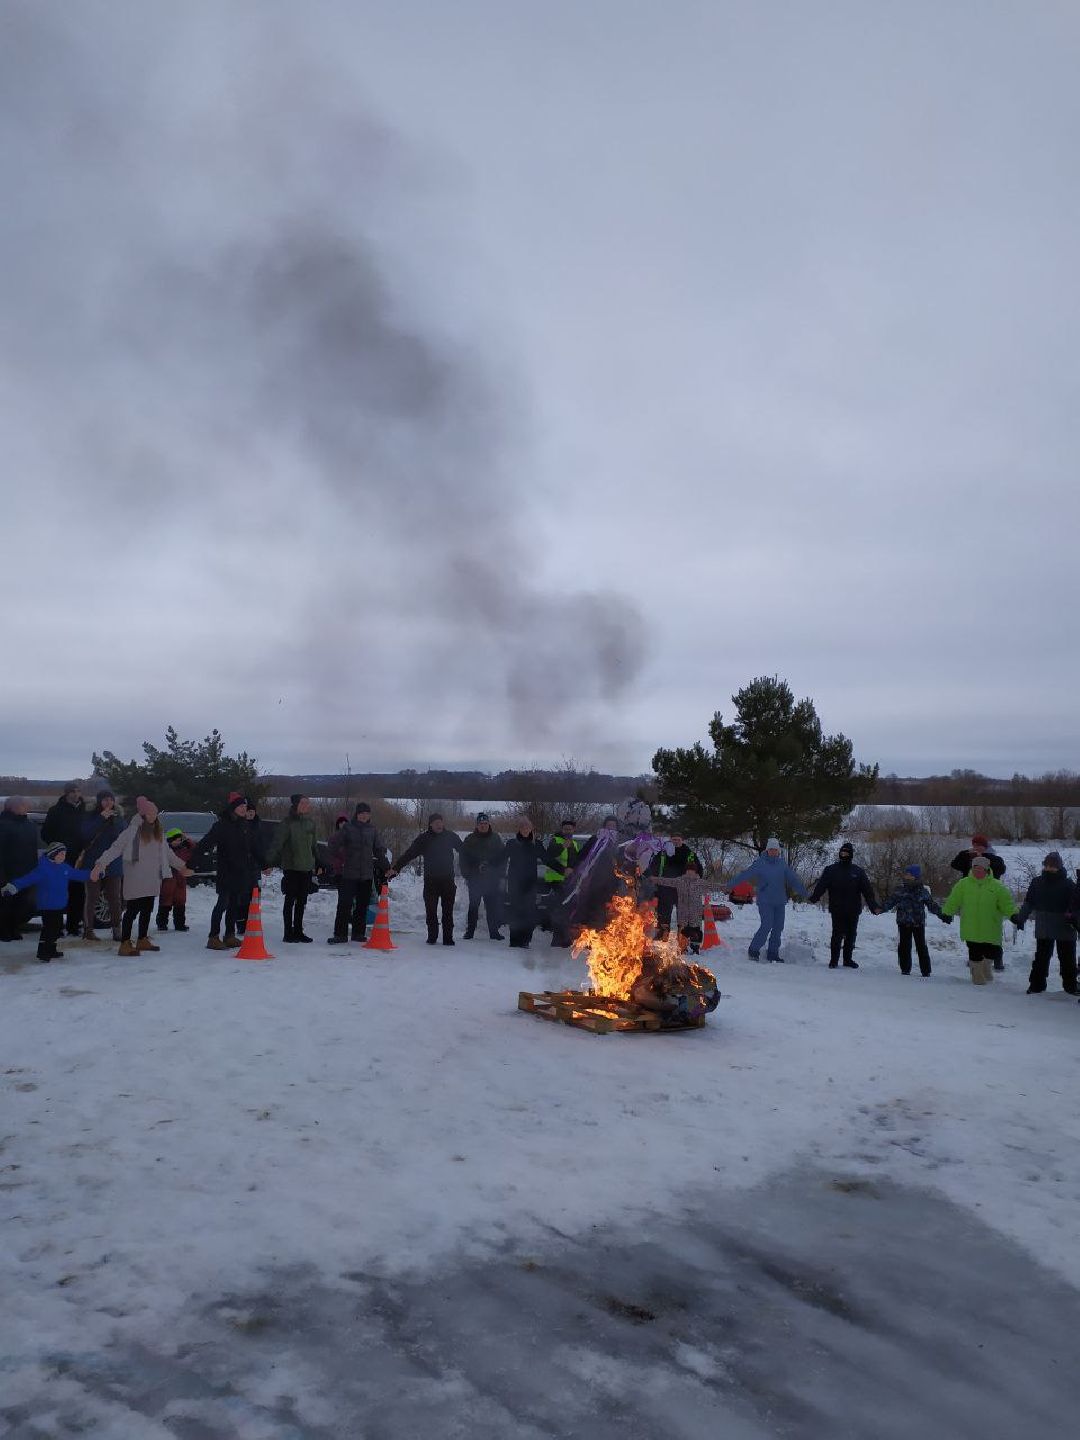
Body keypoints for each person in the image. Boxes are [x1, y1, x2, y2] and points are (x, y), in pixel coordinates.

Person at [91, 798, 192, 955]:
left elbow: (168, 854)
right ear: (143, 814)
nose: (153, 816)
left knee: (147, 909)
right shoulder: (131, 831)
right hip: (135, 878)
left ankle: (142, 939)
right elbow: (115, 849)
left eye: (155, 813)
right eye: (150, 813)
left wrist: (182, 867)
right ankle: (125, 943)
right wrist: (100, 864)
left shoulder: (158, 833)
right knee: (132, 911)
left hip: (152, 878)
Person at [2, 842, 92, 962]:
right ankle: (43, 952)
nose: (63, 856)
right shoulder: (43, 869)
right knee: (49, 929)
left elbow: (78, 874)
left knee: (56, 929)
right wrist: (13, 887)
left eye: (64, 854)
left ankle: (51, 949)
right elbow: (27, 879)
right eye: (60, 854)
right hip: (47, 906)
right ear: (52, 854)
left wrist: (92, 874)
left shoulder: (64, 868)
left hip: (59, 905)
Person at [191, 795, 258, 951]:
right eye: (240, 806)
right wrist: (192, 863)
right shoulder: (221, 826)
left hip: (241, 873)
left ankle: (229, 935)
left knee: (234, 905)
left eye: (245, 807)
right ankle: (213, 936)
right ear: (233, 808)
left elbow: (253, 848)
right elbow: (205, 844)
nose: (244, 809)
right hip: (226, 873)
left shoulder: (244, 826)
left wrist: (265, 863)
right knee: (223, 904)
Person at [941, 853, 1020, 984]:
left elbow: (1007, 904)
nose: (977, 871)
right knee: (974, 951)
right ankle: (977, 975)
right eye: (974, 868)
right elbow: (953, 900)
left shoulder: (997, 886)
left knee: (991, 952)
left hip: (990, 926)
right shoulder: (963, 884)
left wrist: (1014, 915)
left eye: (980, 869)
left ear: (987, 870)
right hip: (970, 925)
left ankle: (985, 968)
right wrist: (947, 913)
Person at [724, 838, 807, 962]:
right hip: (765, 901)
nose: (773, 852)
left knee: (778, 927)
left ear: (778, 851)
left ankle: (773, 953)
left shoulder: (782, 864)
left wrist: (806, 893)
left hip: (779, 901)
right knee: (767, 925)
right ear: (767, 850)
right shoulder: (760, 863)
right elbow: (745, 875)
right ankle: (753, 949)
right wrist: (729, 885)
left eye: (775, 850)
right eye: (771, 849)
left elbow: (793, 879)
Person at [391, 813, 463, 946]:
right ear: (431, 824)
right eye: (436, 822)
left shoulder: (450, 836)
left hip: (448, 880)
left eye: (440, 822)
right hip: (431, 881)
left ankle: (448, 937)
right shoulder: (424, 839)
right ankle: (432, 936)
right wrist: (396, 867)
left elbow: (464, 850)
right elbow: (410, 854)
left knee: (448, 910)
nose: (439, 824)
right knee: (431, 910)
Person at [1014, 852, 1078, 996]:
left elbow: (1075, 906)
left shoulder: (1069, 884)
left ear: (1059, 867)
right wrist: (1021, 918)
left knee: (1067, 958)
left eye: (1053, 866)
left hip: (1065, 927)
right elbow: (1029, 902)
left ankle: (1071, 986)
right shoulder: (1037, 882)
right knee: (1041, 958)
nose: (1049, 868)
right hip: (1044, 925)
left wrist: (1075, 921)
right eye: (1047, 865)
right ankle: (1036, 985)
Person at [809, 842, 879, 969]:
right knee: (837, 934)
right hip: (837, 908)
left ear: (851, 855)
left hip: (853, 909)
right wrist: (815, 897)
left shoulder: (858, 871)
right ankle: (833, 961)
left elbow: (868, 891)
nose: (844, 855)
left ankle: (847, 959)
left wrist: (873, 906)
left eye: (846, 853)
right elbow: (821, 885)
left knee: (851, 935)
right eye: (842, 852)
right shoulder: (831, 870)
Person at [877, 864, 952, 976]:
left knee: (921, 946)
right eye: (906, 873)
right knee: (904, 946)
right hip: (903, 923)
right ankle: (905, 969)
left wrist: (943, 915)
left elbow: (932, 906)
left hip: (918, 923)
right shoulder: (900, 890)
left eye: (909, 874)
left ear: (915, 876)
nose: (906, 876)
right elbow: (890, 902)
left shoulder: (922, 891)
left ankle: (926, 971)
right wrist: (879, 909)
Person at [326, 802, 384, 945]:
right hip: (349, 873)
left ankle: (358, 933)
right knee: (344, 905)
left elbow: (378, 849)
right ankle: (340, 934)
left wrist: (385, 864)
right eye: (361, 813)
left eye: (366, 813)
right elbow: (333, 844)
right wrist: (341, 858)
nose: (364, 816)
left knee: (362, 905)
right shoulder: (348, 828)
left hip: (366, 874)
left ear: (369, 815)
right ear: (357, 814)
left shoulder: (372, 830)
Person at [268, 794, 319, 943]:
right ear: (295, 805)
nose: (306, 806)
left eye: (307, 804)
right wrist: (268, 862)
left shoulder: (310, 823)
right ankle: (288, 932)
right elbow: (276, 844)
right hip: (291, 867)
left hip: (306, 867)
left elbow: (314, 846)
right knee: (290, 900)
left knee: (302, 901)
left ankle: (298, 931)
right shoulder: (287, 823)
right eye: (303, 803)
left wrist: (320, 862)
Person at [79, 789, 126, 943]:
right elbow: (84, 835)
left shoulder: (119, 819)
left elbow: (125, 838)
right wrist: (100, 819)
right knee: (91, 897)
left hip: (114, 864)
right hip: (93, 863)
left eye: (110, 800)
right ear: (99, 802)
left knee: (115, 898)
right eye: (104, 800)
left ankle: (117, 929)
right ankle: (88, 930)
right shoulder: (91, 817)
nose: (108, 803)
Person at [41, 783, 87, 937]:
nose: (76, 794)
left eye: (78, 791)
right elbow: (45, 834)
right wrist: (57, 849)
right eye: (72, 791)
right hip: (61, 859)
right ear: (66, 793)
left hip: (79, 858)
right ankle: (57, 927)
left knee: (78, 893)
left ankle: (74, 925)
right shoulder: (56, 811)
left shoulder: (84, 811)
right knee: (58, 893)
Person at [652, 859, 718, 953]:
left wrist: (726, 887)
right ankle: (683, 948)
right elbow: (665, 881)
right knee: (683, 931)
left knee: (695, 931)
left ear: (695, 872)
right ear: (686, 871)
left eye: (692, 871)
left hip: (695, 913)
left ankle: (695, 948)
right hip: (683, 913)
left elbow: (713, 886)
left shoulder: (700, 883)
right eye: (688, 871)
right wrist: (654, 879)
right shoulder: (680, 881)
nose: (690, 873)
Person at [646, 832, 703, 939]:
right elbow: (652, 868)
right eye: (674, 840)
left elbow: (699, 870)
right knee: (663, 914)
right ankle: (662, 937)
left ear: (682, 840)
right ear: (670, 840)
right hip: (664, 889)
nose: (676, 842)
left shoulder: (689, 854)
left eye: (678, 840)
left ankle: (683, 940)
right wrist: (652, 879)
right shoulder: (663, 853)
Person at [0, 797, 41, 942]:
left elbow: (33, 850)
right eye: (23, 805)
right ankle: (4, 930)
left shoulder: (30, 825)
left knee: (24, 904)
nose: (26, 807)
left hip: (27, 872)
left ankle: (14, 927)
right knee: (6, 903)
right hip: (9, 872)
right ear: (12, 807)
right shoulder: (3, 825)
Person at [460, 813, 505, 940]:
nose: (483, 826)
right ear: (477, 825)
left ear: (488, 824)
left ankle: (494, 932)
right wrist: (467, 874)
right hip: (475, 879)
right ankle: (470, 932)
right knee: (473, 906)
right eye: (481, 824)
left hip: (491, 880)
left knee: (491, 906)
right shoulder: (470, 839)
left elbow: (502, 857)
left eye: (485, 824)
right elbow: (463, 858)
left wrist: (500, 874)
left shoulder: (496, 838)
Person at [504, 818, 547, 948]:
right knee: (516, 913)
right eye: (522, 827)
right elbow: (500, 857)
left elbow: (547, 859)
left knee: (529, 913)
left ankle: (525, 941)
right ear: (519, 828)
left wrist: (565, 869)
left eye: (527, 827)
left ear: (531, 829)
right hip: (515, 885)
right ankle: (514, 941)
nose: (525, 829)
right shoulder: (512, 843)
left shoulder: (536, 844)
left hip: (530, 885)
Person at [542, 819, 581, 947]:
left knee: (567, 911)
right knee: (559, 911)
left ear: (573, 830)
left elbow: (576, 861)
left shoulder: (574, 843)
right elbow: (548, 857)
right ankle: (557, 939)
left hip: (569, 883)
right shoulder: (556, 841)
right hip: (556, 881)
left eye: (570, 829)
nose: (567, 831)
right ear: (562, 829)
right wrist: (563, 869)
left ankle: (564, 938)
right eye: (565, 829)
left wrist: (573, 871)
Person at [157, 828, 196, 932]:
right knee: (166, 901)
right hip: (168, 879)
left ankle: (180, 924)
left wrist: (187, 840)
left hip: (180, 880)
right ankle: (162, 923)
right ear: (169, 840)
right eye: (175, 840)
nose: (177, 842)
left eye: (179, 840)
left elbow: (194, 849)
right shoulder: (165, 850)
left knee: (180, 902)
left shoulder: (184, 849)